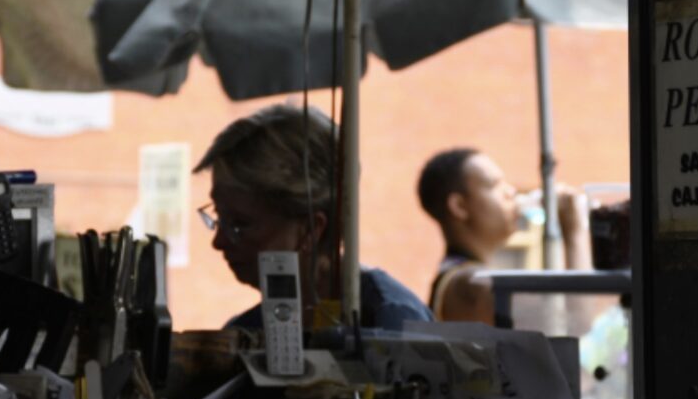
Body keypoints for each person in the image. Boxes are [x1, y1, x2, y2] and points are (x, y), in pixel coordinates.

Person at [194, 103, 432, 330]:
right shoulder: (246, 331)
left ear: (311, 229)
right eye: (217, 216)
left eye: (239, 224)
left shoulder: (391, 324)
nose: (219, 242)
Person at [417, 147, 590, 326]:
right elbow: (573, 319)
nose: (511, 192)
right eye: (494, 185)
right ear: (459, 206)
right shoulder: (470, 285)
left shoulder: (467, 276)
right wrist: (574, 232)